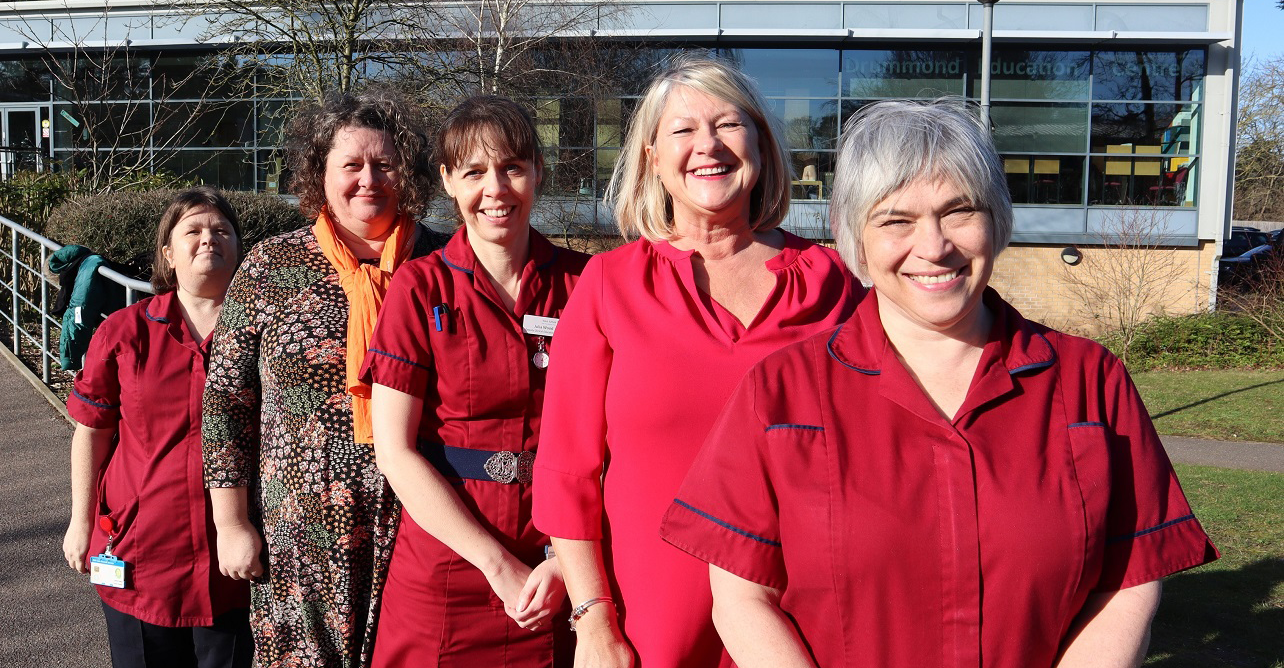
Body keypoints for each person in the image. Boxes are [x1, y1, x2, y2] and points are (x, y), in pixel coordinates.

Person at [658, 99, 1220, 668]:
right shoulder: (781, 392)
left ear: (997, 218)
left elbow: (1129, 583)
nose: (934, 246)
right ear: (852, 234)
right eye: (896, 220)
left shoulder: (1090, 382)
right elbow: (741, 596)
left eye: (959, 211)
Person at [531, 56, 864, 668]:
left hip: (802, 619)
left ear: (761, 145)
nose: (707, 146)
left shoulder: (833, 284)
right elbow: (566, 471)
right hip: (647, 624)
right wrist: (594, 624)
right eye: (683, 130)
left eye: (729, 125)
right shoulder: (610, 285)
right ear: (652, 157)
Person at [201, 91, 442, 668]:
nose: (369, 180)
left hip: (420, 514)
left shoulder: (443, 261)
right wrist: (230, 522)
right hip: (300, 525)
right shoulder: (270, 265)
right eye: (351, 166)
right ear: (320, 174)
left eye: (385, 164)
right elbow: (226, 402)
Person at [361, 95, 589, 667]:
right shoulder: (419, 289)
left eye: (512, 167)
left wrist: (566, 561)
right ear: (447, 181)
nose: (496, 189)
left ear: (538, 170)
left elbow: (612, 440)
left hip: (559, 562)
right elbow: (394, 450)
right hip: (447, 566)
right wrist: (496, 563)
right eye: (474, 172)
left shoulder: (588, 285)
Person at [62, 186, 252, 668]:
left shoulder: (264, 334)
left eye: (221, 230)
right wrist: (80, 521)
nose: (209, 238)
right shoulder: (125, 331)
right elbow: (92, 430)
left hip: (232, 560)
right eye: (193, 230)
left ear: (239, 248)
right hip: (138, 550)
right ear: (168, 252)